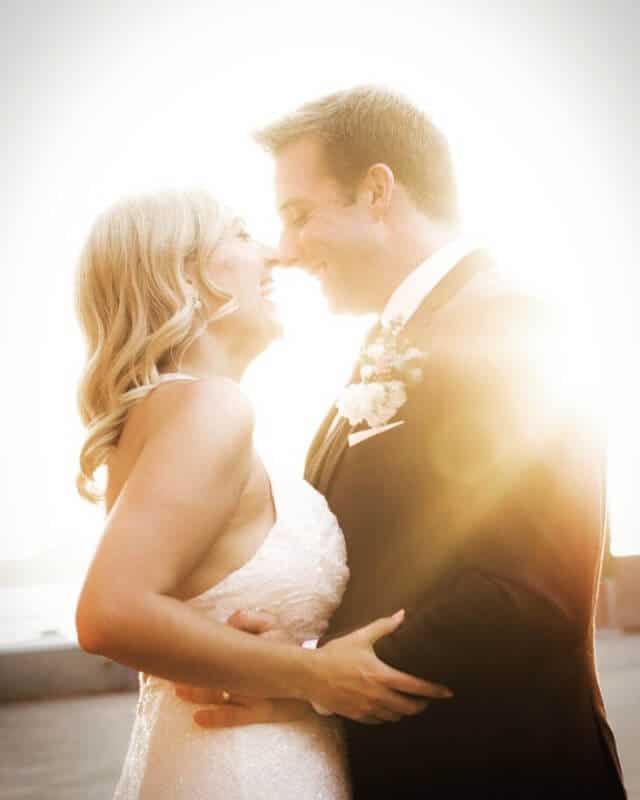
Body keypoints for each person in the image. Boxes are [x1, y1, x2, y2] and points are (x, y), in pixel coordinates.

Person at [181, 87, 627, 798]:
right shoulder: (395, 340)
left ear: (377, 192)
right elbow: (391, 565)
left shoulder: (512, 319)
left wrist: (314, 676)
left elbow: (530, 592)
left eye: (299, 215)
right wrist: (300, 657)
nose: (285, 251)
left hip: (505, 774)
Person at [73, 190, 451, 800]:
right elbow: (109, 612)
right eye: (242, 235)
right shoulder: (209, 407)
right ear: (183, 276)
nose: (274, 254)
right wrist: (313, 674)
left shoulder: (163, 414)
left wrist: (293, 668)